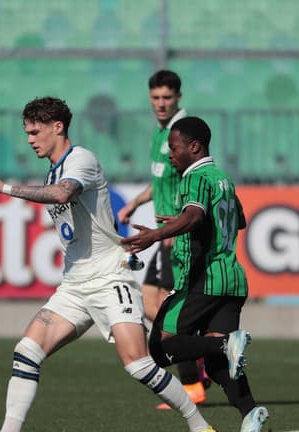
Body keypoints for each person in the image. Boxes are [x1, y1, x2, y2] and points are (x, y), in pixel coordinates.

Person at [0, 97, 216, 432]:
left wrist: (6, 187)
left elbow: (62, 194)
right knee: (27, 350)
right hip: (74, 285)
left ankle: (200, 426)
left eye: (34, 131)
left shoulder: (80, 159)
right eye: (26, 133)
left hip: (110, 278)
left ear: (58, 127)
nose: (29, 139)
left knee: (138, 364)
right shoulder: (53, 170)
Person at [122, 116, 269, 432]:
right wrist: (187, 218)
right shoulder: (222, 179)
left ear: (194, 146)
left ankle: (225, 344)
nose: (170, 155)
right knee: (221, 365)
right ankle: (251, 414)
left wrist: (156, 234)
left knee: (160, 349)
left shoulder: (194, 177)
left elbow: (194, 217)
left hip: (203, 279)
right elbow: (239, 219)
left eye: (174, 148)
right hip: (233, 280)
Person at [116, 70, 210, 408]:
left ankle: (193, 382)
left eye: (167, 98)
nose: (160, 104)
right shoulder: (160, 135)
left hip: (177, 237)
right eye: (155, 98)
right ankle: (197, 357)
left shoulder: (182, 134)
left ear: (178, 98)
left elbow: (195, 181)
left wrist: (181, 225)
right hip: (165, 236)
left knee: (169, 314)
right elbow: (159, 182)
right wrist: (135, 202)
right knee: (150, 305)